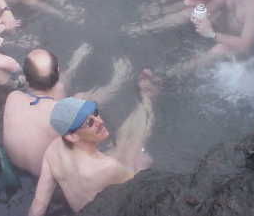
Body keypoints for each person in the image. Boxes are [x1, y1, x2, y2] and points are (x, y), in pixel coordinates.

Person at [28, 69, 161, 216]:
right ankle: (147, 99)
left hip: (81, 208)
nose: (100, 122)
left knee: (123, 149)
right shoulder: (107, 167)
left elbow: (39, 203)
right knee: (133, 152)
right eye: (89, 122)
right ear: (72, 136)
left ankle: (144, 100)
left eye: (95, 113)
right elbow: (141, 192)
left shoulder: (53, 150)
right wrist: (141, 170)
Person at [3, 45, 133, 177]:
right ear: (58, 70)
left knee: (61, 91)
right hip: (49, 175)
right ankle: (120, 78)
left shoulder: (13, 97)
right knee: (80, 99)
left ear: (26, 76)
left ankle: (75, 62)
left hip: (14, 165)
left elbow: (50, 92)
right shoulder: (61, 114)